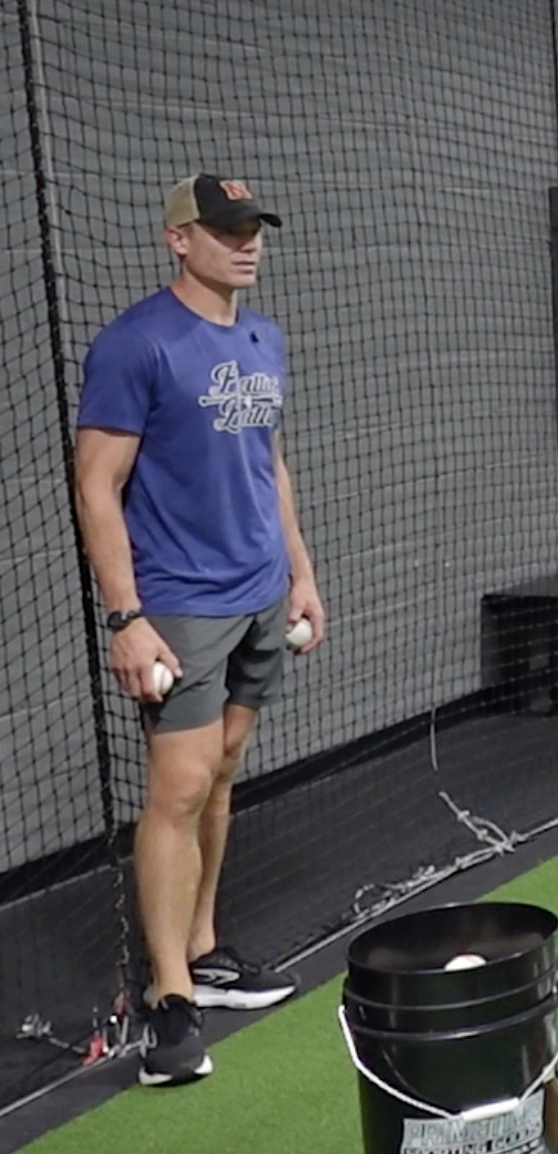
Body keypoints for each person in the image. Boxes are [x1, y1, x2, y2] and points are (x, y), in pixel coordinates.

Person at [75, 174, 326, 1084]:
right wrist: (126, 618)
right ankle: (169, 1002)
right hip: (180, 601)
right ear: (178, 239)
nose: (246, 243)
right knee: (178, 789)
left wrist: (300, 574)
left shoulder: (263, 338)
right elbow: (96, 484)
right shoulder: (136, 343)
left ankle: (204, 950)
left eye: (253, 229)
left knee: (220, 772)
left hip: (260, 594)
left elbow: (269, 465)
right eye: (225, 230)